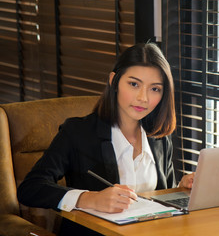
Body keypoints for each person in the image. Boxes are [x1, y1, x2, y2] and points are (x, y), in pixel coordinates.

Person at [17, 43, 194, 235]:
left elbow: (157, 202)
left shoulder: (159, 138)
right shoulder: (78, 132)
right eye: (134, 84)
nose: (143, 98)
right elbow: (30, 188)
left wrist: (180, 191)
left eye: (155, 89)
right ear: (114, 81)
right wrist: (89, 199)